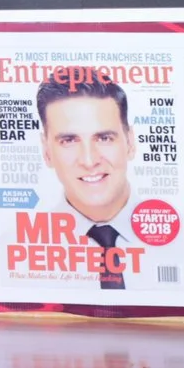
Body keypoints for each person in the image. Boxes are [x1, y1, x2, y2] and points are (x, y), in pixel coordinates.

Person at [32, 70, 149, 290]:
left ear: (130, 142)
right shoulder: (10, 247)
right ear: (47, 151)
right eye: (69, 140)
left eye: (104, 138)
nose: (88, 160)